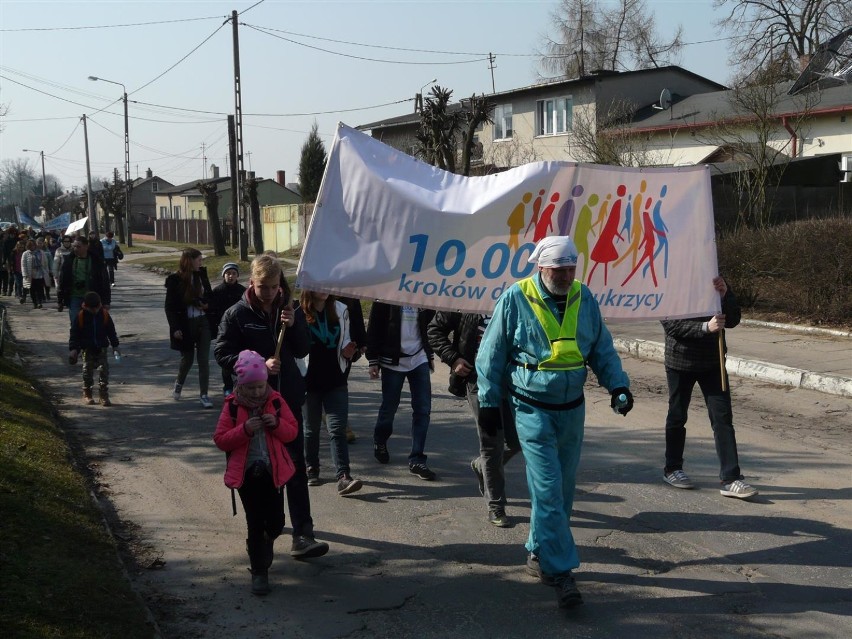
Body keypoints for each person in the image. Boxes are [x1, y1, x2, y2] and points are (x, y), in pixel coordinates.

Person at [476, 235, 633, 609]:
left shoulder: (583, 297)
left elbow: (601, 347)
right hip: (531, 408)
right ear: (540, 267)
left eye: (570, 269)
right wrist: (487, 401)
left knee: (561, 491)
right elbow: (492, 351)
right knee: (547, 489)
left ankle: (536, 549)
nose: (565, 276)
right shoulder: (516, 297)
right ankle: (560, 570)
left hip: (572, 410)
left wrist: (618, 386)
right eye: (558, 269)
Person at [214, 254, 329, 560]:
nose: (269, 293)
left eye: (274, 287)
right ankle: (266, 531)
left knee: (294, 465)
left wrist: (294, 327)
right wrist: (257, 364)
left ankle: (304, 533)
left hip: (286, 400)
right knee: (262, 471)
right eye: (263, 287)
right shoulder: (237, 314)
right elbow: (222, 353)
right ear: (252, 282)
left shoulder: (288, 310)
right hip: (251, 404)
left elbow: (304, 349)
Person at [661, 276, 758, 499]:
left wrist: (725, 295)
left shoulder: (715, 278)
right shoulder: (673, 281)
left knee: (723, 419)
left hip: (713, 363)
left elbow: (733, 319)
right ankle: (672, 469)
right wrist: (705, 327)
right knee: (677, 415)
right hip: (680, 362)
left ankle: (731, 478)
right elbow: (670, 324)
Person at [213, 349, 299, 596]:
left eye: (260, 386)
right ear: (240, 385)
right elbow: (220, 440)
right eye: (250, 388)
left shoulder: (276, 401)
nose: (256, 392)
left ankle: (266, 539)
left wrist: (277, 424)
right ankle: (259, 571)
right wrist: (244, 430)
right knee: (254, 519)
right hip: (247, 474)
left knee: (276, 521)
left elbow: (292, 432)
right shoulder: (232, 406)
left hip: (273, 470)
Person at [428, 311, 521, 527]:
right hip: (478, 381)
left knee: (517, 442)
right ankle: (496, 505)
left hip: (512, 381)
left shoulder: (514, 297)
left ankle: (482, 466)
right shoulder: (467, 297)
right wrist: (453, 358)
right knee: (492, 444)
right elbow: (434, 330)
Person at [297, 289, 363, 496]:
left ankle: (343, 476)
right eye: (319, 285)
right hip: (309, 381)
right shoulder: (298, 312)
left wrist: (348, 350)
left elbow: (345, 338)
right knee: (311, 429)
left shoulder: (341, 309)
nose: (324, 290)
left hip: (336, 379)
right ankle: (312, 467)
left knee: (337, 429)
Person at [366, 302, 437, 480]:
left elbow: (431, 326)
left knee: (423, 409)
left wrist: (429, 355)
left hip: (419, 358)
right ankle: (380, 439)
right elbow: (374, 327)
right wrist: (372, 359)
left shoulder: (424, 293)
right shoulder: (387, 295)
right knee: (390, 406)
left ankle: (417, 459)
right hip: (392, 360)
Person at [164, 248, 214, 409]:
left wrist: (207, 304)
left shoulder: (202, 276)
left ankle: (204, 394)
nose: (201, 262)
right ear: (189, 261)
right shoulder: (175, 280)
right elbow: (170, 307)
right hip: (185, 324)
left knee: (204, 360)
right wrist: (175, 328)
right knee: (187, 359)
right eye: (198, 259)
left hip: (203, 322)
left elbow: (210, 297)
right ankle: (179, 383)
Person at [69, 291, 120, 406]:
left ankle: (103, 395)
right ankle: (87, 393)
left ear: (100, 305)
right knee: (87, 371)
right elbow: (74, 334)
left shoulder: (105, 315)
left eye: (96, 308)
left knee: (104, 371)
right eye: (91, 309)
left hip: (102, 348)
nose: (94, 311)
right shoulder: (80, 316)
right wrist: (73, 350)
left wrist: (115, 346)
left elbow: (111, 332)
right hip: (87, 349)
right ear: (85, 306)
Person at [208, 262, 246, 396]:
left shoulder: (243, 291)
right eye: (228, 273)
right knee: (226, 360)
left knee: (241, 358)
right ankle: (228, 387)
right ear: (223, 275)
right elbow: (211, 311)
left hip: (240, 330)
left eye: (234, 274)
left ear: (237, 276)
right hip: (223, 330)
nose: (231, 276)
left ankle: (241, 385)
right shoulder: (217, 291)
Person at [58, 235, 111, 323]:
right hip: (74, 297)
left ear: (86, 246)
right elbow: (62, 280)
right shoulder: (69, 261)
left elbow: (105, 282)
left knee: (92, 323)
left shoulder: (96, 261)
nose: (75, 249)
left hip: (92, 297)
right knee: (75, 322)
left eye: (78, 247)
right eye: (74, 246)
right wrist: (60, 300)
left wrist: (106, 301)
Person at [20, 239, 47, 308]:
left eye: (33, 245)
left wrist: (46, 271)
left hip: (39, 273)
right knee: (32, 289)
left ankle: (39, 302)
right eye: (30, 246)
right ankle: (35, 302)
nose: (32, 247)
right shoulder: (25, 254)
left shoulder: (40, 252)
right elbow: (23, 265)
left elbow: (45, 262)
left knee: (40, 289)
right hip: (30, 274)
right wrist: (25, 274)